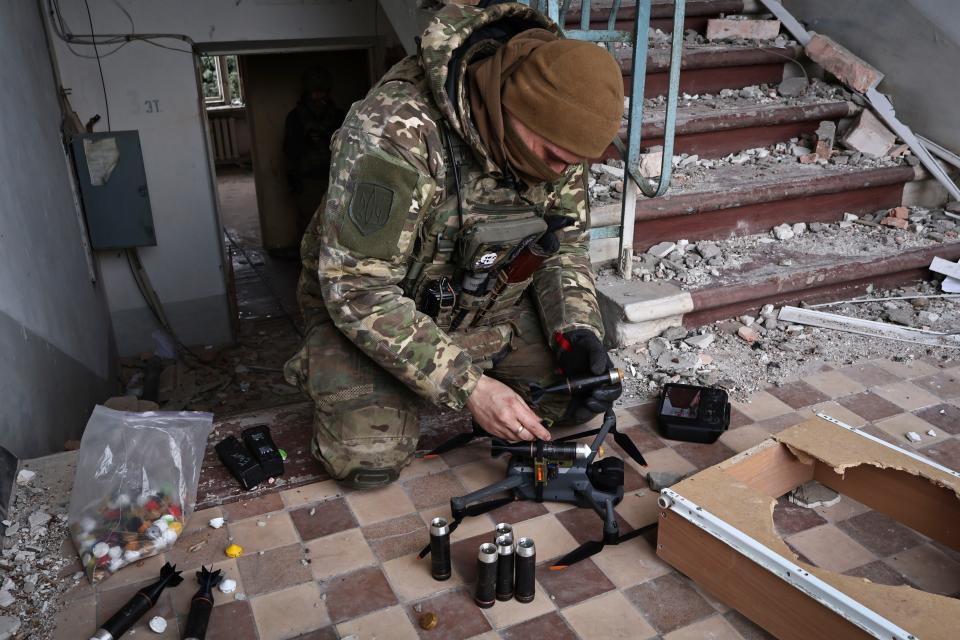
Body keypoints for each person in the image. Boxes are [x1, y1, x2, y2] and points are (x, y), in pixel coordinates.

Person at [284, 0, 625, 488]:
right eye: (552, 156)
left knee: (573, 399)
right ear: (511, 105)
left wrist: (577, 332)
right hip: (377, 312)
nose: (561, 172)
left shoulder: (557, 148)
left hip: (486, 304)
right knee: (367, 458)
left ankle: (453, 376)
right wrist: (468, 387)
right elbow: (356, 289)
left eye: (574, 163)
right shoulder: (395, 131)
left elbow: (563, 249)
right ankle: (368, 377)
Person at [283, 66, 346, 237]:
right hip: (308, 181)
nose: (318, 97)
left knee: (336, 226)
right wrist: (293, 181)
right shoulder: (295, 118)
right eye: (313, 93)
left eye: (321, 92)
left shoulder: (338, 116)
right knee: (309, 228)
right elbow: (290, 151)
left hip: (334, 180)